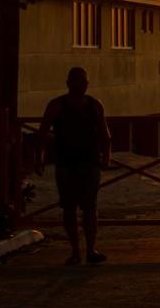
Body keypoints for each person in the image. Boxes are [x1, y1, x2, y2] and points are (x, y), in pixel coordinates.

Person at [38, 67, 111, 266]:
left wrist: (106, 157)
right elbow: (43, 134)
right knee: (70, 208)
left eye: (84, 82)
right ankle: (77, 250)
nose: (82, 86)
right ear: (69, 84)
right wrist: (40, 157)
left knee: (88, 208)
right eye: (79, 82)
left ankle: (88, 250)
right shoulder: (57, 105)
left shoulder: (94, 105)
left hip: (88, 162)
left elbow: (105, 135)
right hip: (67, 163)